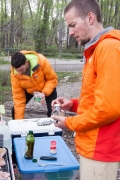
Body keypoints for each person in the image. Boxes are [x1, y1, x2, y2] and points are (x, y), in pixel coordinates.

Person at [51, 0, 120, 180]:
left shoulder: (108, 48)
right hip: (91, 144)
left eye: (73, 25)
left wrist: (69, 123)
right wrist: (73, 105)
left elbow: (108, 109)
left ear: (90, 18)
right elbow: (100, 98)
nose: (70, 32)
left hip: (99, 147)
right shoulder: (96, 50)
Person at [10, 50, 58, 120]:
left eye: (22, 70)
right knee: (15, 110)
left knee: (53, 111)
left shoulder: (41, 61)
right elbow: (18, 99)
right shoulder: (15, 75)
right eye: (18, 70)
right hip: (30, 89)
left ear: (26, 62)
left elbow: (52, 79)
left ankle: (53, 127)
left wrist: (44, 92)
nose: (20, 73)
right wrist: (18, 123)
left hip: (46, 87)